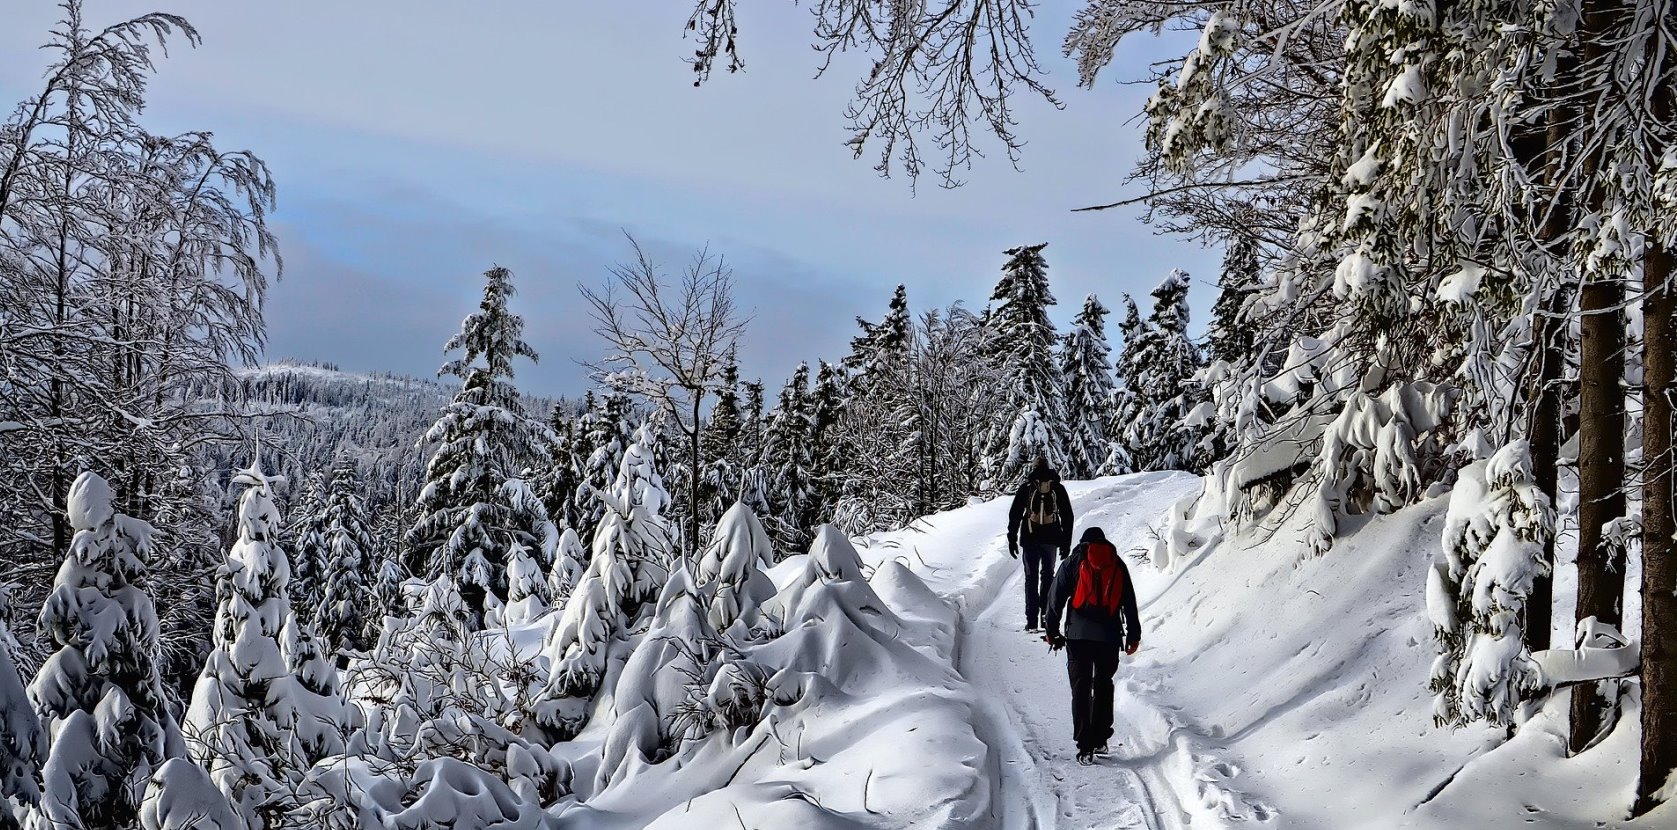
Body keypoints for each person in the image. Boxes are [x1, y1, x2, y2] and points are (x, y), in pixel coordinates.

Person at [1043, 526, 1141, 766]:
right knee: (1104, 685)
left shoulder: (1073, 562)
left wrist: (1051, 631)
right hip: (1109, 636)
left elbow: (1055, 598)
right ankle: (1100, 739)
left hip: (1078, 635)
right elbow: (1129, 600)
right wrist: (1133, 635)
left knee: (1081, 688)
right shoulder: (1116, 563)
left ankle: (1084, 745)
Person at [1007, 457, 1073, 633]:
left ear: (1034, 468)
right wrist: (1065, 542)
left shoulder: (1027, 488)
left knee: (1031, 578)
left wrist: (1012, 537)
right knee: (1048, 576)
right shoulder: (1057, 488)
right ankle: (1045, 617)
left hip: (1030, 538)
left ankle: (1031, 621)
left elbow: (1014, 514)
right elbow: (1067, 516)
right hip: (1051, 539)